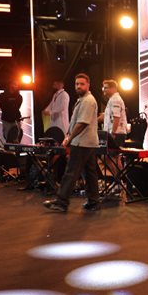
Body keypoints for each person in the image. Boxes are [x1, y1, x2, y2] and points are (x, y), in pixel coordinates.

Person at [44, 73, 100, 213]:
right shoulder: (83, 100)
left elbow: (82, 123)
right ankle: (93, 201)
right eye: (77, 84)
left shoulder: (87, 101)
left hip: (82, 142)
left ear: (88, 85)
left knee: (71, 172)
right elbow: (76, 122)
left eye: (82, 84)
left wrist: (69, 138)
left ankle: (61, 202)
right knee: (90, 173)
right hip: (86, 142)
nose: (79, 86)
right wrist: (68, 135)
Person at [100, 79, 129, 149]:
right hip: (114, 133)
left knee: (113, 154)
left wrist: (113, 133)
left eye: (106, 88)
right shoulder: (112, 99)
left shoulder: (115, 99)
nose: (104, 90)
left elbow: (116, 117)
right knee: (111, 154)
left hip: (116, 133)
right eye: (103, 88)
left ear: (113, 89)